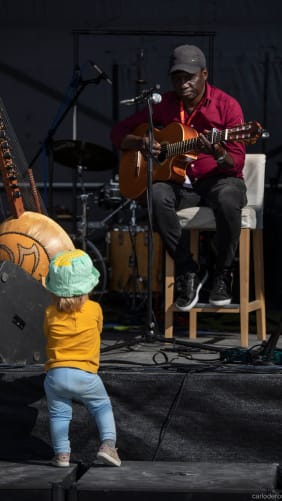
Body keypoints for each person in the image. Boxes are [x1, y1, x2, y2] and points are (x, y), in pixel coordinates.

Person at [111, 44, 247, 310]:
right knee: (156, 194)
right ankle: (188, 271)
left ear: (204, 74)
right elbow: (118, 132)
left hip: (219, 179)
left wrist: (218, 152)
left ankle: (221, 272)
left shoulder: (227, 106)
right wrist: (142, 142)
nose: (183, 83)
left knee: (228, 197)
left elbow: (236, 162)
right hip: (182, 185)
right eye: (177, 78)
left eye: (189, 77)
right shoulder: (165, 105)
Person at [43, 248, 121, 467]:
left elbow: (47, 334)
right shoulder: (95, 309)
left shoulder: (49, 312)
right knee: (101, 406)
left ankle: (62, 455)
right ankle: (108, 445)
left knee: (59, 415)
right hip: (86, 374)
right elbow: (98, 331)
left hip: (56, 375)